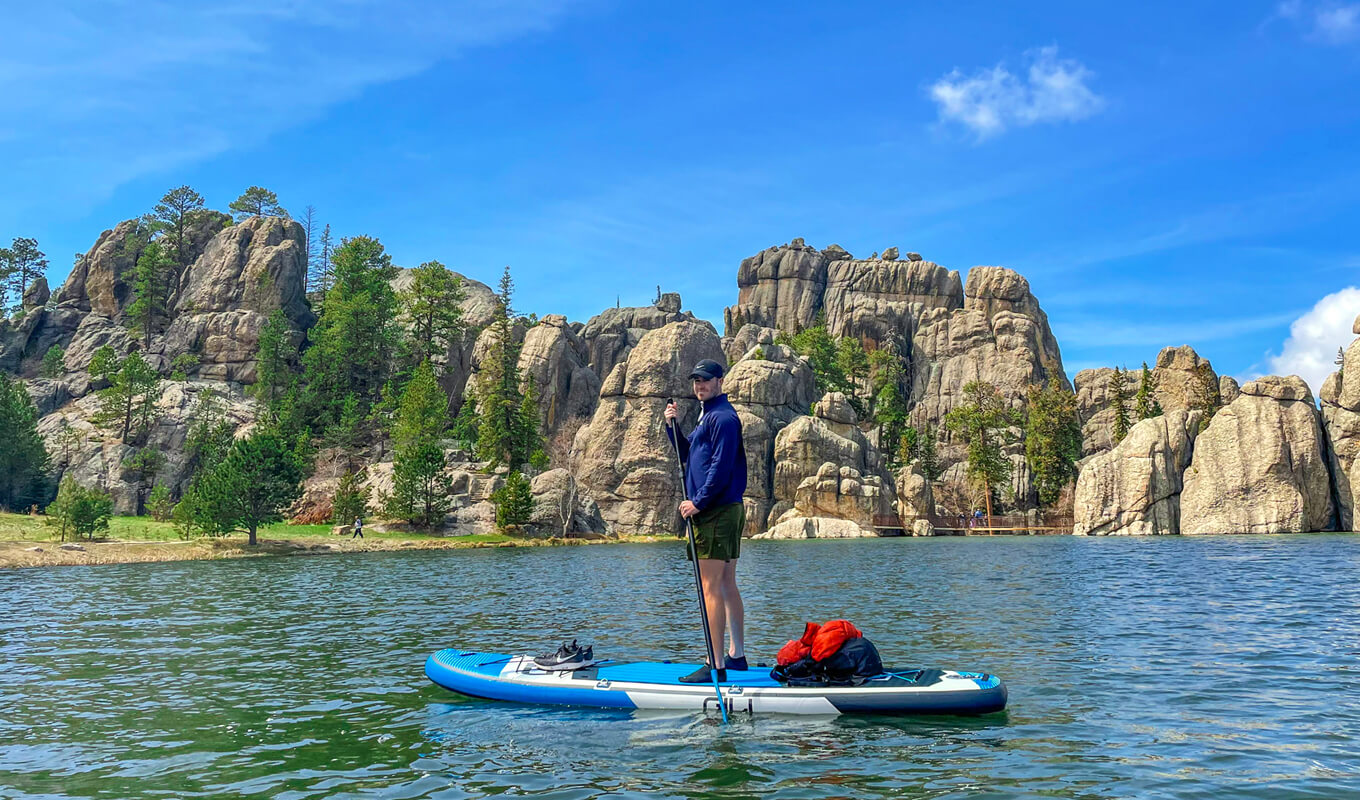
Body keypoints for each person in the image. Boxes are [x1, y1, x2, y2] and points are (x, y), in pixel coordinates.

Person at [664, 358, 748, 684]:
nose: (700, 386)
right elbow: (689, 455)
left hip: (715, 512)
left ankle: (716, 665)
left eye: (706, 380)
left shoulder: (723, 418)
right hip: (724, 510)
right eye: (696, 381)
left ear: (719, 381)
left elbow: (721, 467)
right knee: (726, 584)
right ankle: (736, 656)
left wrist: (698, 503)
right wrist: (673, 429)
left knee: (710, 588)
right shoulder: (708, 416)